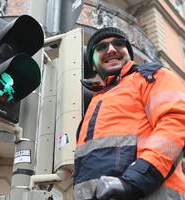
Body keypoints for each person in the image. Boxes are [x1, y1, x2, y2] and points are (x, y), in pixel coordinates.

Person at [73, 27, 185, 200]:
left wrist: (134, 181)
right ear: (92, 63)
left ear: (129, 54)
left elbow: (176, 124)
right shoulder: (96, 101)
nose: (111, 49)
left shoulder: (152, 76)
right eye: (101, 47)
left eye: (118, 43)